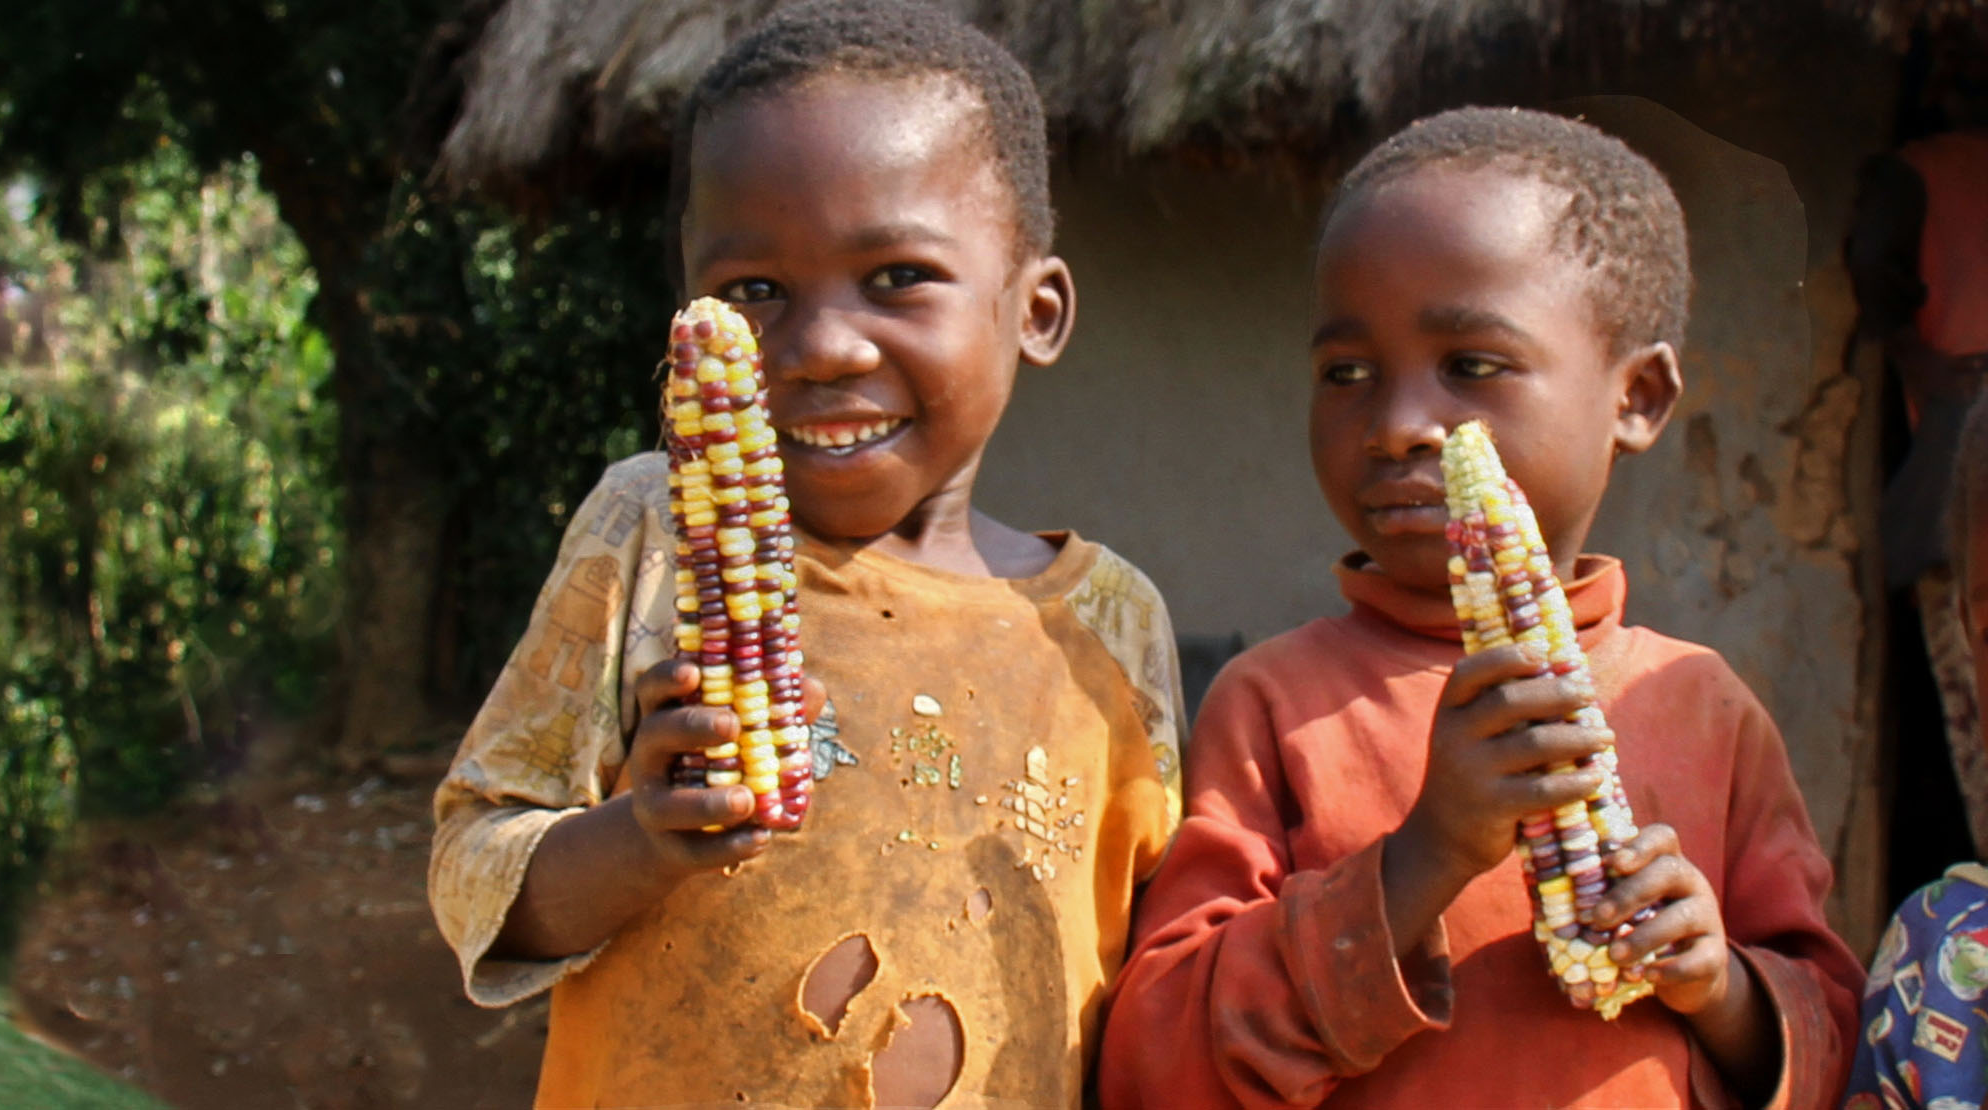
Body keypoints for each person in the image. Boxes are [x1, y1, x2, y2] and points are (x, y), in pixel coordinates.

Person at [426, 2, 1185, 1104]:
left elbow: (1134, 966)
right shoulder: (655, 535)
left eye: (898, 278)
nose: (823, 348)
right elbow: (472, 870)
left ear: (1038, 309)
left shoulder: (1113, 626)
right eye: (755, 292)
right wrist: (637, 839)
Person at [1097, 106, 1862, 1109]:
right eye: (1348, 374)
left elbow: (1841, 1038)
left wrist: (1722, 989)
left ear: (1636, 398)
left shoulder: (1707, 710)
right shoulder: (1276, 705)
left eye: (1471, 366)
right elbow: (1160, 1057)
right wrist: (1426, 856)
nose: (1401, 425)